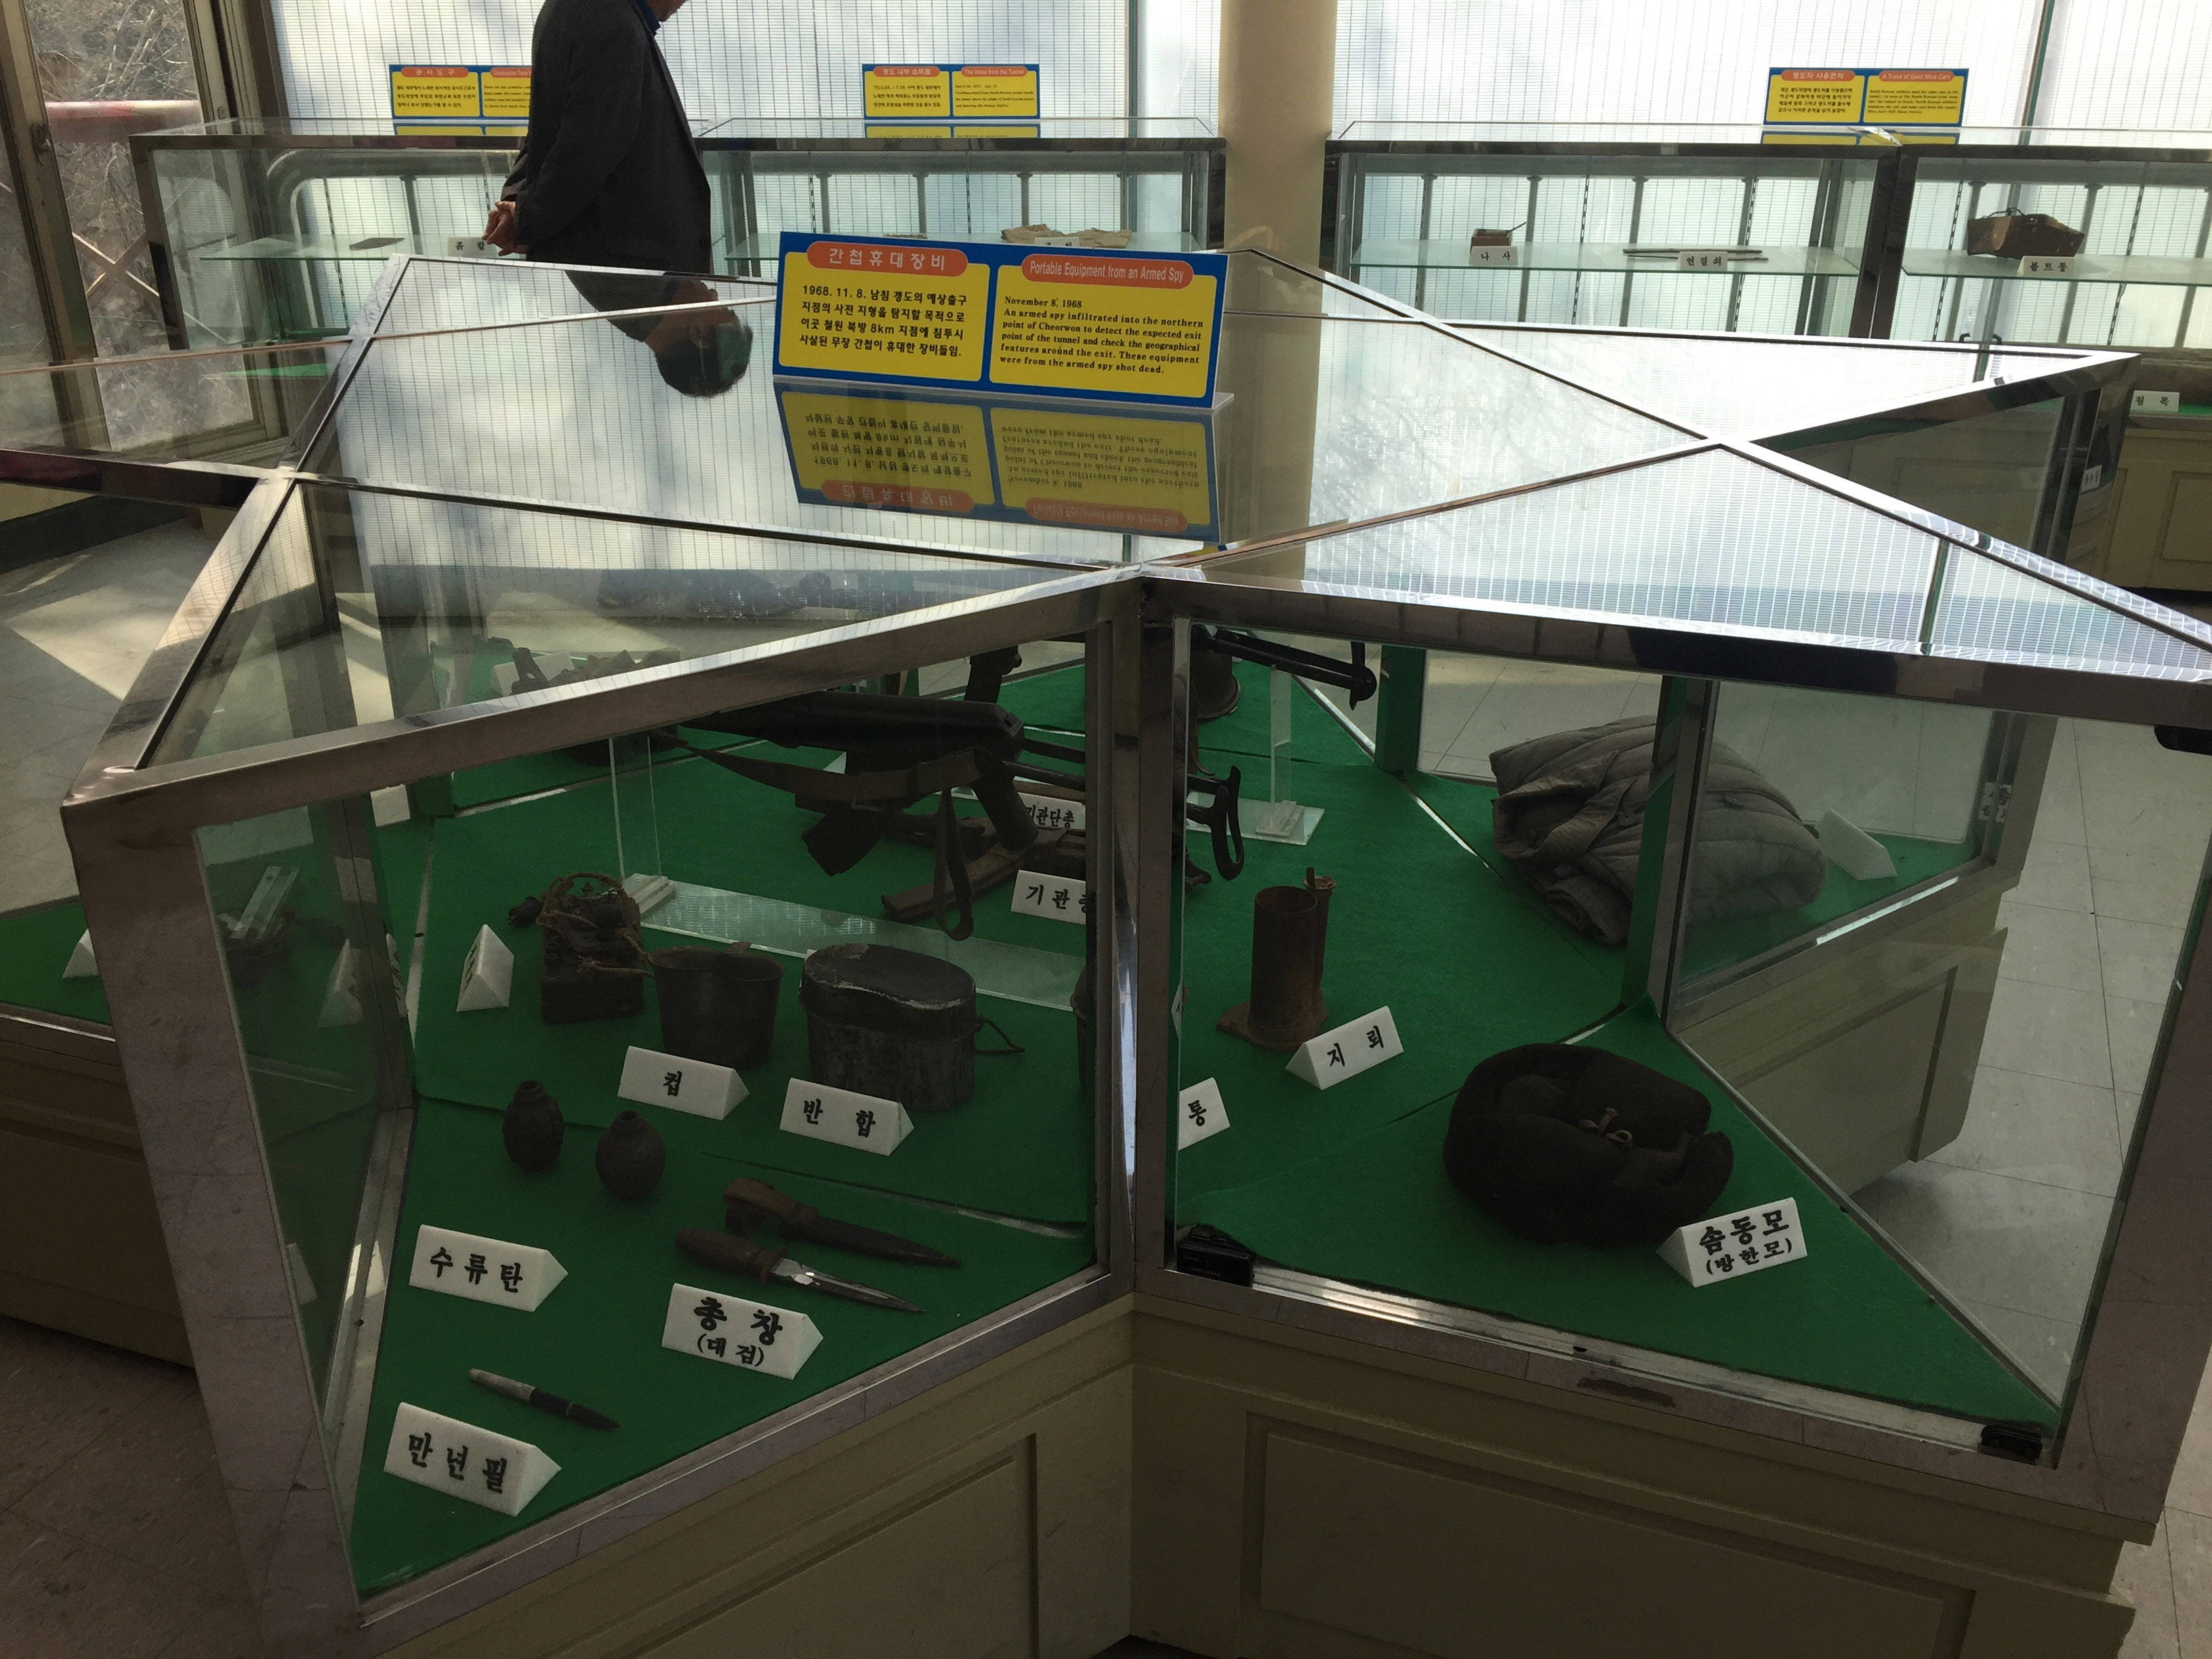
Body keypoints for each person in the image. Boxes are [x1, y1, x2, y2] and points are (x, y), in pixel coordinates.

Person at [483, 0, 711, 275]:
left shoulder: (566, 8)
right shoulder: (613, 21)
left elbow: (549, 124)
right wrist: (526, 218)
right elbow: (588, 148)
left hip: (593, 260)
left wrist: (518, 203)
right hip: (624, 269)